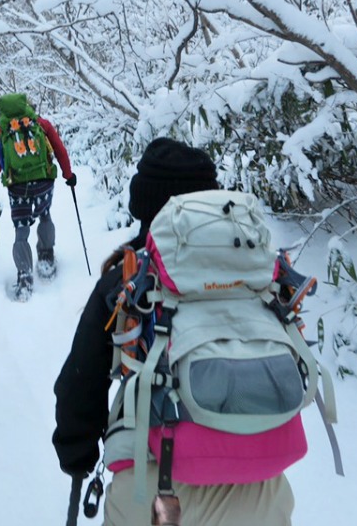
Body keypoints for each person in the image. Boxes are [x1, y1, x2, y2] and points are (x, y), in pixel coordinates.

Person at [52, 137, 296, 525]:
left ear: (144, 207)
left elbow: (79, 387)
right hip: (262, 488)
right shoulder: (258, 277)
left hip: (156, 494)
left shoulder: (126, 282)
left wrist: (77, 455)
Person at [0, 93, 75, 300]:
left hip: (18, 189)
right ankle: (46, 257)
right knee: (45, 214)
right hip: (43, 184)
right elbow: (60, 150)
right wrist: (68, 175)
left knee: (21, 229)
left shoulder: (1, 132)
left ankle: (25, 276)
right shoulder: (41, 124)